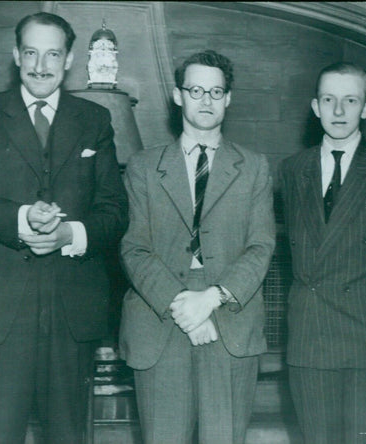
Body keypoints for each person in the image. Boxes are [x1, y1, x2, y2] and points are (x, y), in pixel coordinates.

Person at [0, 12, 129, 443]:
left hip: (71, 315)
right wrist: (21, 217)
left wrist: (70, 234)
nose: (40, 65)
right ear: (15, 56)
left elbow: (114, 211)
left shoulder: (95, 120)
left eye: (52, 54)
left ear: (68, 60)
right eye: (31, 52)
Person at [118, 49, 275, 444]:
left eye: (216, 92)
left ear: (228, 99)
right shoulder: (143, 166)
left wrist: (212, 298)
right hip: (160, 320)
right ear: (177, 95)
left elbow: (261, 246)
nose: (206, 101)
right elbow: (135, 248)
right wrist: (183, 303)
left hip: (230, 322)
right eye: (196, 90)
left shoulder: (254, 167)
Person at [279, 62, 366, 443]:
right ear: (315, 107)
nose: (338, 111)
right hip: (311, 340)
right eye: (329, 100)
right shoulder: (292, 169)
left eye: (350, 100)